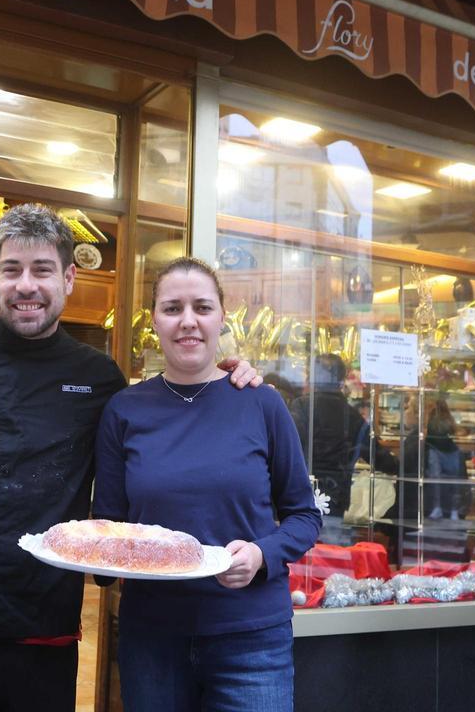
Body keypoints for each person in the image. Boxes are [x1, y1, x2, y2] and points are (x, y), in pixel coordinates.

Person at [0, 205, 260, 712]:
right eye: (12, 270)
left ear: (68, 278)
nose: (26, 285)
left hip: (43, 628)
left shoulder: (99, 378)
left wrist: (227, 379)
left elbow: (163, 434)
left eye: (42, 270)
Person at [93, 257, 322, 712]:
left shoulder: (261, 403)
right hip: (153, 638)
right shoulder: (124, 410)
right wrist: (96, 555)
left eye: (202, 307)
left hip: (252, 639)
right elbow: (109, 524)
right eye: (172, 308)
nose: (188, 321)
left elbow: (304, 516)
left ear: (221, 317)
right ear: (154, 321)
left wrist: (261, 555)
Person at [288, 353, 366, 518]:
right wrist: (400, 466)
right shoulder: (352, 415)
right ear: (341, 380)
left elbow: (288, 446)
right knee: (332, 533)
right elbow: (374, 452)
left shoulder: (302, 406)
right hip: (337, 494)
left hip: (300, 490)